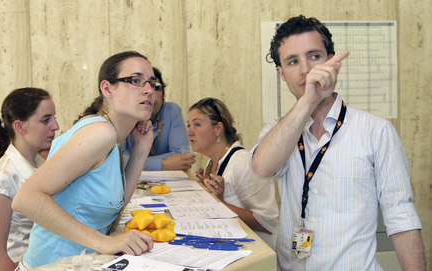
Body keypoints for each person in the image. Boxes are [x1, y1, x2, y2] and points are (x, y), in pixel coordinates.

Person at [250, 15, 426, 270]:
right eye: (292, 61)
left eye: (314, 56)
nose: (305, 70)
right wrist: (308, 101)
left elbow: (401, 217)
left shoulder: (376, 132)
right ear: (281, 74)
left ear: (332, 61)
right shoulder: (277, 131)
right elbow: (262, 169)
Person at [12, 51, 156, 269]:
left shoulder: (110, 134)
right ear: (107, 89)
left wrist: (142, 148)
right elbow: (25, 198)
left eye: (152, 83)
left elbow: (113, 212)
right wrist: (104, 242)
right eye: (135, 81)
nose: (149, 90)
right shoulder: (100, 133)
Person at [187, 97, 279, 249]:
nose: (189, 132)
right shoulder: (212, 163)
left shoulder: (242, 162)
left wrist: (220, 203)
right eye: (188, 125)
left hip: (256, 255)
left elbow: (267, 223)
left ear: (218, 129)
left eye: (197, 124)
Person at [0, 88, 59, 270]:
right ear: (20, 127)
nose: (55, 125)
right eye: (45, 120)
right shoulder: (3, 176)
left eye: (54, 117)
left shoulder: (40, 162)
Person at [122, 67, 195, 171]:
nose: (151, 93)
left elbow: (181, 156)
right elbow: (117, 161)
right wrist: (163, 164)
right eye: (144, 88)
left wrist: (138, 162)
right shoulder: (125, 114)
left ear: (164, 93)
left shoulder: (172, 110)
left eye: (155, 87)